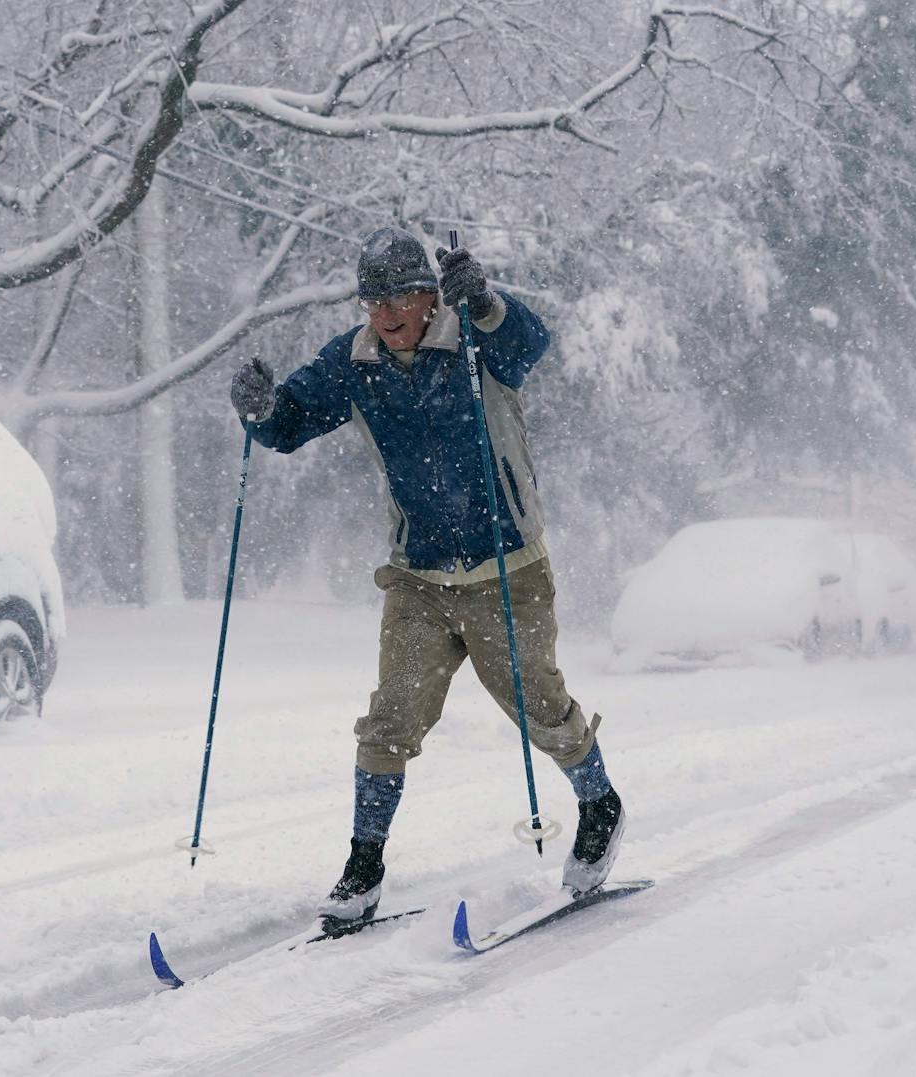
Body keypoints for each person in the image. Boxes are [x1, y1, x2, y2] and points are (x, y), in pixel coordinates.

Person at [228, 225, 624, 921]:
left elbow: (530, 344)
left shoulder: (476, 337)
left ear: (428, 295)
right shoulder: (353, 363)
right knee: (390, 719)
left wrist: (489, 302)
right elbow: (289, 424)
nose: (384, 316)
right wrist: (260, 410)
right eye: (371, 302)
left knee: (537, 702)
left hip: (507, 567)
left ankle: (601, 803)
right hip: (418, 577)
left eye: (398, 299)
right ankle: (363, 864)